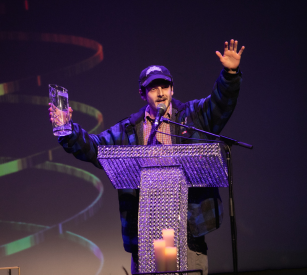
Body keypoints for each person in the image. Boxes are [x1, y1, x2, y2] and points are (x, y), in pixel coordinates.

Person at [49, 39, 245, 275]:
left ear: (173, 89)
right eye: (153, 88)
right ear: (143, 94)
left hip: (188, 230)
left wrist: (230, 74)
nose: (160, 93)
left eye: (165, 86)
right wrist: (69, 129)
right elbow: (94, 148)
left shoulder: (193, 117)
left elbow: (220, 104)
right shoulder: (129, 129)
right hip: (147, 232)